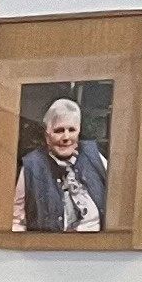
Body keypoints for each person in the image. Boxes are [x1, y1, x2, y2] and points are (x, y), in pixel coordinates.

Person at [12, 95, 108, 233]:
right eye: (59, 131)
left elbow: (116, 201)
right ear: (47, 136)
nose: (66, 137)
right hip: (50, 251)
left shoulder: (94, 155)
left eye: (72, 130)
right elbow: (17, 222)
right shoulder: (32, 166)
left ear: (79, 131)